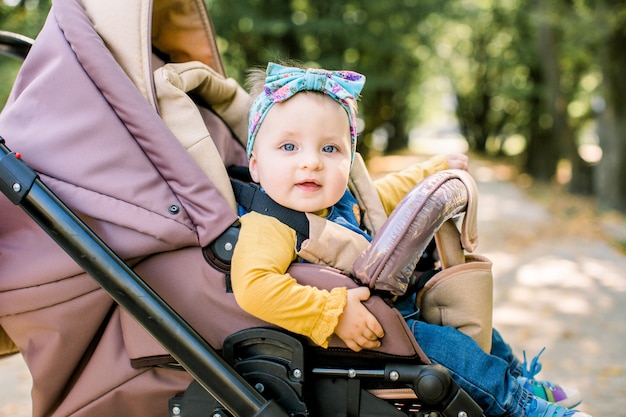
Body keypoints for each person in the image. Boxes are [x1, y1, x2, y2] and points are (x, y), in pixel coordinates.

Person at [230, 61, 590, 417]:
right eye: (289, 148)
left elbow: (385, 195)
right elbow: (253, 286)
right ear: (256, 164)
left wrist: (431, 170)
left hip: (394, 307)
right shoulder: (269, 225)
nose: (311, 163)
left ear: (349, 157)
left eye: (329, 149)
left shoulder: (339, 200)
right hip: (357, 333)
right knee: (451, 348)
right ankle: (520, 407)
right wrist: (331, 314)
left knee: (474, 323)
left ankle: (516, 381)